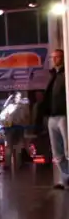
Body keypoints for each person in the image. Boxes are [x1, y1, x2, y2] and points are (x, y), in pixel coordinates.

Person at [37, 48, 67, 189]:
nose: (54, 60)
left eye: (57, 57)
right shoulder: (53, 75)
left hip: (63, 116)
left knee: (67, 149)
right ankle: (66, 179)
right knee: (57, 152)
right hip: (52, 117)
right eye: (52, 57)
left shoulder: (64, 75)